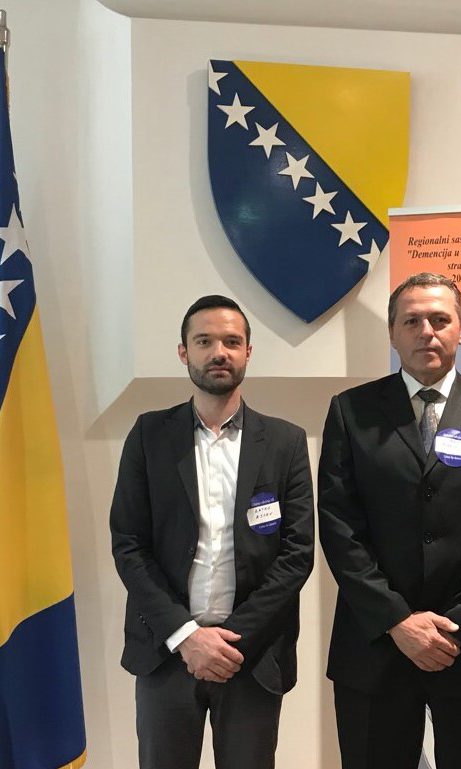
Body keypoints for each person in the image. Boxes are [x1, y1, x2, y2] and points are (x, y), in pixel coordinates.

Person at [317, 272, 461, 769]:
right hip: (376, 646)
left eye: (440, 320)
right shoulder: (351, 412)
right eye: (412, 321)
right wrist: (397, 621)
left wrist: (455, 628)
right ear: (392, 333)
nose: (427, 332)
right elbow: (339, 526)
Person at [110, 295, 314, 769]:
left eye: (231, 342)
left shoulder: (285, 442)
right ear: (184, 352)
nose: (218, 352)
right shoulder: (149, 435)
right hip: (167, 652)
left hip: (251, 655)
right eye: (204, 341)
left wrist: (230, 641)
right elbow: (129, 545)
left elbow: (297, 553)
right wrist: (187, 636)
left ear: (248, 352)